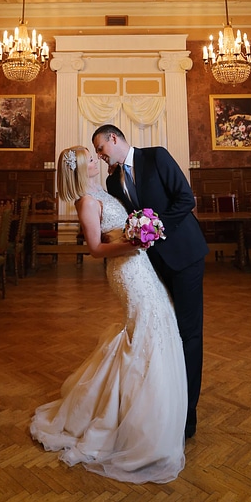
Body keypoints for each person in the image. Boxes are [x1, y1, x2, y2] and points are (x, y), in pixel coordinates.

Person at [30, 145, 187, 484]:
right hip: (125, 272)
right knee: (144, 329)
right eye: (90, 158)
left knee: (160, 321)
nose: (95, 160)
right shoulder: (86, 202)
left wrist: (139, 233)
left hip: (140, 266)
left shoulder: (101, 190)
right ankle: (135, 419)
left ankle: (155, 411)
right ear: (80, 169)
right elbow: (96, 249)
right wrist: (134, 243)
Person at [92, 124, 208, 441]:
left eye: (101, 150)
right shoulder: (111, 182)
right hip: (152, 265)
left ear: (113, 139)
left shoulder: (156, 157)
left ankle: (188, 415)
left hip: (185, 256)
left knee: (189, 333)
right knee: (163, 330)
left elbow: (186, 199)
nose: (101, 157)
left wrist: (155, 225)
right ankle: (164, 404)